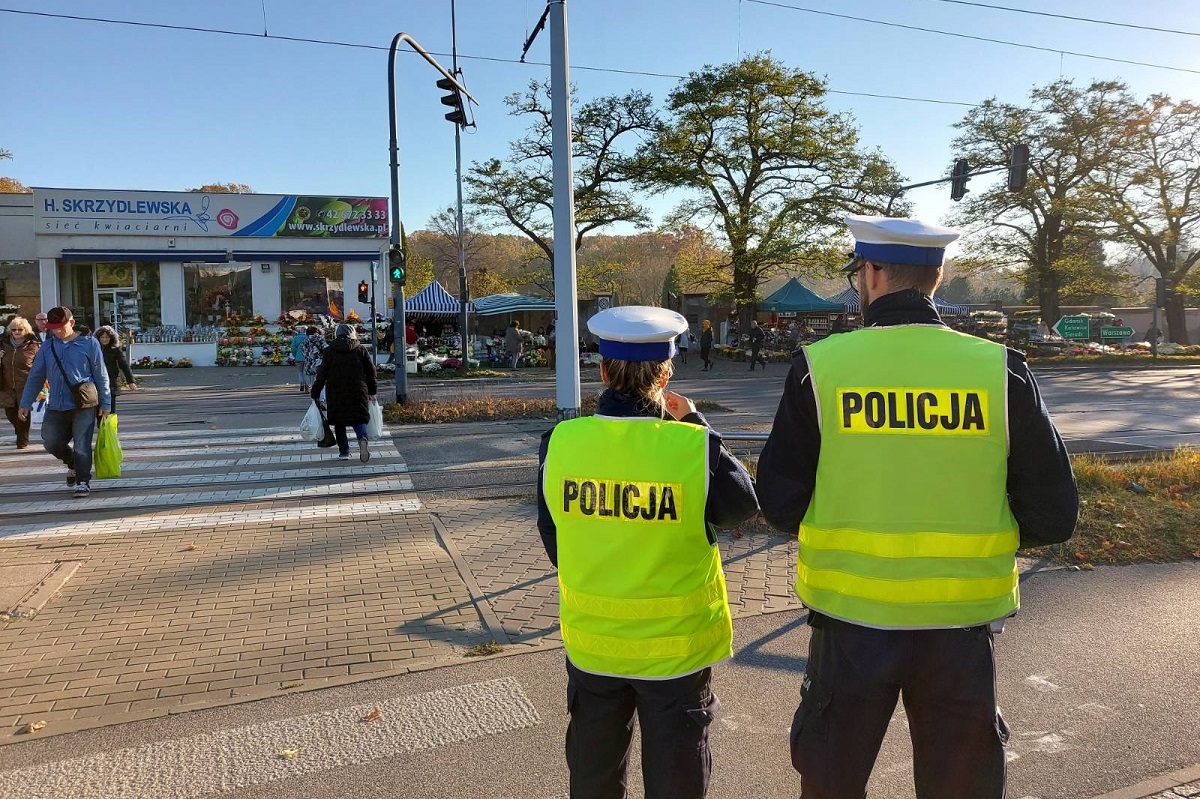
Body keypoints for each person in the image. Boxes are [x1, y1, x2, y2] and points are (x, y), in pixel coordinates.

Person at [756, 215, 1079, 799]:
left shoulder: (822, 367)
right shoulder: (998, 370)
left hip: (850, 627)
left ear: (872, 274)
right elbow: (1054, 514)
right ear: (937, 276)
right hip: (959, 629)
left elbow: (779, 503)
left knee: (831, 784)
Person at [537, 305, 759, 799]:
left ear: (601, 371)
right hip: (675, 656)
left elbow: (554, 541)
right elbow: (742, 506)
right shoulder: (691, 447)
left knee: (594, 778)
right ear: (667, 372)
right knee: (676, 782)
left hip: (595, 649)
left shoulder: (560, 443)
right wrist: (697, 421)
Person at [17, 307, 111, 497]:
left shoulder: (90, 344)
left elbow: (101, 375)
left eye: (61, 327)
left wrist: (106, 402)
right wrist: (25, 402)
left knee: (81, 445)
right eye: (53, 328)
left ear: (72, 323)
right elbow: (36, 376)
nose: (57, 331)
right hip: (57, 405)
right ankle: (72, 463)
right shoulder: (48, 346)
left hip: (83, 404)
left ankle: (83, 482)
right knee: (50, 441)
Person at [310, 324, 377, 462]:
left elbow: (321, 374)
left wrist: (315, 392)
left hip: (335, 391)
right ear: (352, 334)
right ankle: (362, 438)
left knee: (339, 422)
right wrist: (372, 390)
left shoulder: (329, 351)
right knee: (359, 418)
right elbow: (371, 372)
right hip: (358, 389)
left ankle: (344, 452)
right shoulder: (361, 349)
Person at [1, 316, 41, 449]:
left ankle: (22, 440)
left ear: (26, 330)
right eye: (14, 329)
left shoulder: (34, 345)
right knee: (10, 413)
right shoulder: (3, 344)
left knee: (23, 412)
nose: (17, 332)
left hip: (26, 384)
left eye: (20, 329)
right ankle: (20, 434)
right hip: (7, 384)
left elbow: (40, 366)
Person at [94, 326, 137, 414]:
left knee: (110, 411)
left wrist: (130, 381)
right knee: (98, 411)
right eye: (102, 337)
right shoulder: (94, 349)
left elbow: (124, 365)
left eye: (107, 337)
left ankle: (111, 427)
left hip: (111, 382)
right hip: (96, 383)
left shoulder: (115, 350)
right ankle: (100, 426)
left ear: (111, 338)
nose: (104, 339)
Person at [300, 326, 327, 393]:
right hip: (319, 362)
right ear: (316, 332)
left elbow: (303, 351)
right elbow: (326, 349)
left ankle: (314, 396)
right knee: (321, 381)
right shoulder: (319, 339)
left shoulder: (304, 341)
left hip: (309, 363)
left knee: (312, 381)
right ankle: (321, 397)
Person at [290, 326, 310, 391]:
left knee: (300, 371)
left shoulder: (296, 338)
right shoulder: (308, 338)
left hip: (298, 357)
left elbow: (293, 348)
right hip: (307, 357)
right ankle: (307, 385)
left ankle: (301, 383)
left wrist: (295, 355)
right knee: (306, 372)